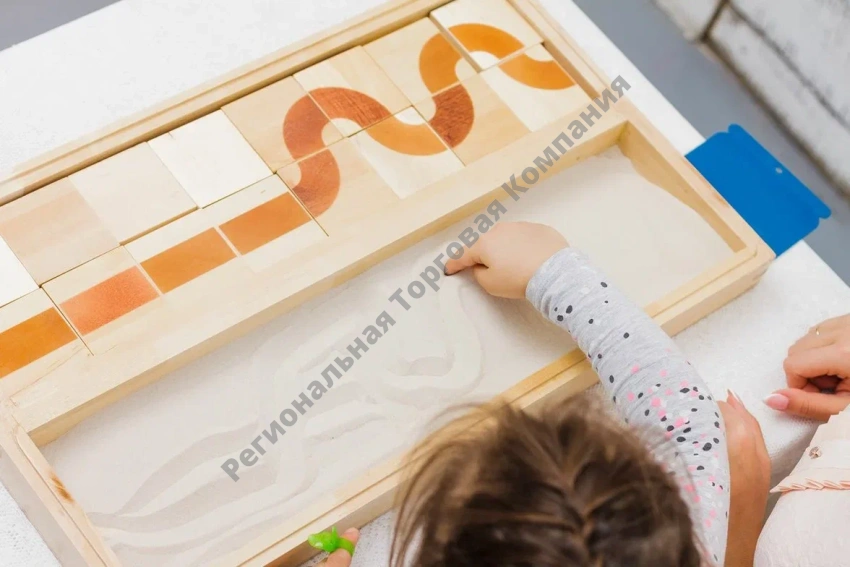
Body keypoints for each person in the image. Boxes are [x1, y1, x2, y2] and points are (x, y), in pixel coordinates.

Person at [321, 221, 735, 567]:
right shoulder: (686, 544)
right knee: (742, 450)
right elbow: (682, 410)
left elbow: (683, 414)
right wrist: (557, 276)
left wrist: (557, 275)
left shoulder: (680, 537)